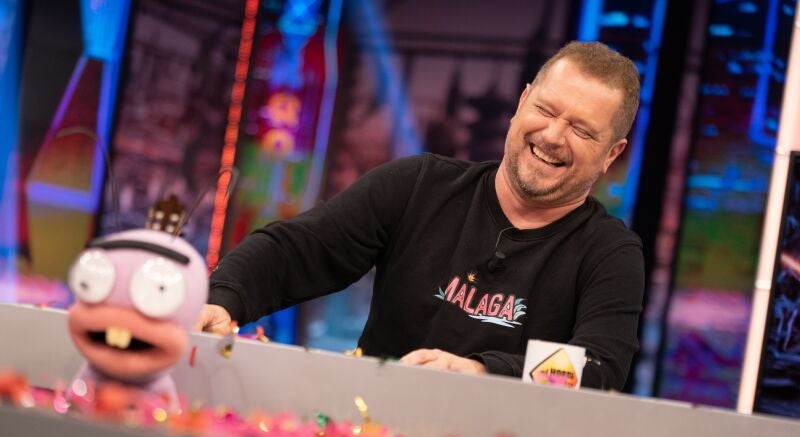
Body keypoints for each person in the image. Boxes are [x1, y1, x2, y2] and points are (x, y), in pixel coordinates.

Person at [197, 41, 644, 390]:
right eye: (545, 110)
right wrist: (222, 299)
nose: (553, 135)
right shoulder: (419, 185)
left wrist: (482, 372)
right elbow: (298, 250)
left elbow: (596, 367)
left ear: (612, 154)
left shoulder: (611, 253)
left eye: (582, 130)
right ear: (522, 101)